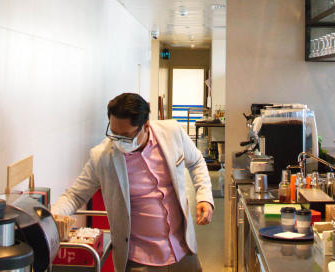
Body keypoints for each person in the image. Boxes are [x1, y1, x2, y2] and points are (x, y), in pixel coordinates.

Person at [51, 93, 214, 272]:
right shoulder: (103, 157)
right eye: (114, 134)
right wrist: (49, 219)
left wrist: (204, 196)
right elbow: (74, 195)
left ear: (146, 125)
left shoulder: (172, 132)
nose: (119, 141)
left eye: (126, 135)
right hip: (140, 260)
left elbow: (196, 161)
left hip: (184, 250)